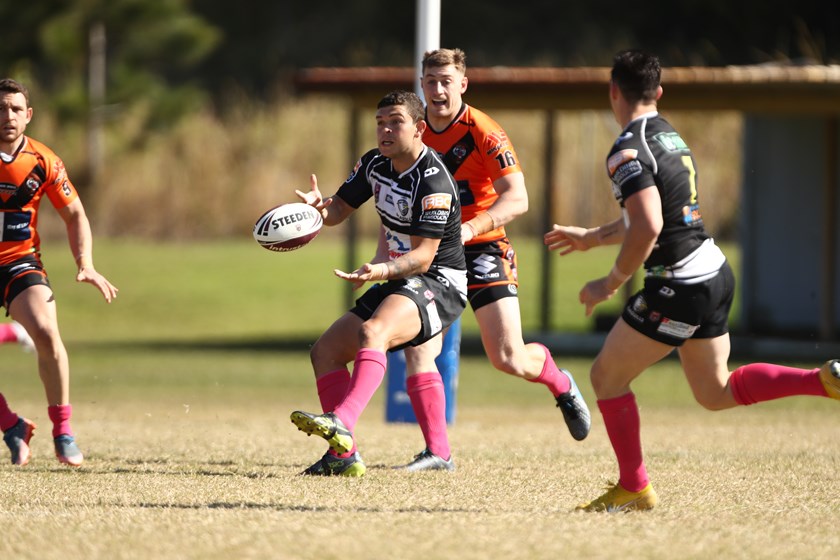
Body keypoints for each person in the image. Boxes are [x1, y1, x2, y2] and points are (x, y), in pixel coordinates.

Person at [544, 49, 840, 512]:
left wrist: (611, 282)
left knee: (605, 376)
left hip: (679, 284)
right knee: (715, 391)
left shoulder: (626, 149)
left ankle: (634, 487)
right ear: (658, 92)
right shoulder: (670, 136)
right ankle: (821, 381)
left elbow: (648, 226)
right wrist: (592, 237)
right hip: (713, 272)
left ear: (613, 91)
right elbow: (653, 216)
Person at [387, 48, 589, 471]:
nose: (438, 90)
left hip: (483, 248)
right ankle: (438, 453)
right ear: (421, 85)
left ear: (463, 84)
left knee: (508, 357)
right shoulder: (413, 131)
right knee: (420, 349)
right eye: (430, 81)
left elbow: (518, 198)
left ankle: (560, 382)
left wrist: (469, 229)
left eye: (446, 81)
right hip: (432, 251)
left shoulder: (484, 131)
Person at [289, 89, 467, 477]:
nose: (385, 130)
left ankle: (342, 421)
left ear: (419, 128)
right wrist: (319, 210)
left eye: (395, 122)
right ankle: (344, 456)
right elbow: (340, 208)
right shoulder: (374, 164)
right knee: (325, 352)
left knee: (374, 333)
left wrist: (380, 270)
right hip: (400, 276)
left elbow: (424, 257)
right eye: (380, 122)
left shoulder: (433, 181)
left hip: (439, 281)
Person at [0, 78, 118, 467]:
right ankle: (11, 425)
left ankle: (63, 432)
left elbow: (75, 215)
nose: (8, 116)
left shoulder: (44, 160)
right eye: (0, 109)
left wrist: (85, 264)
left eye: (15, 109)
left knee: (48, 333)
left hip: (19, 262)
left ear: (28, 115)